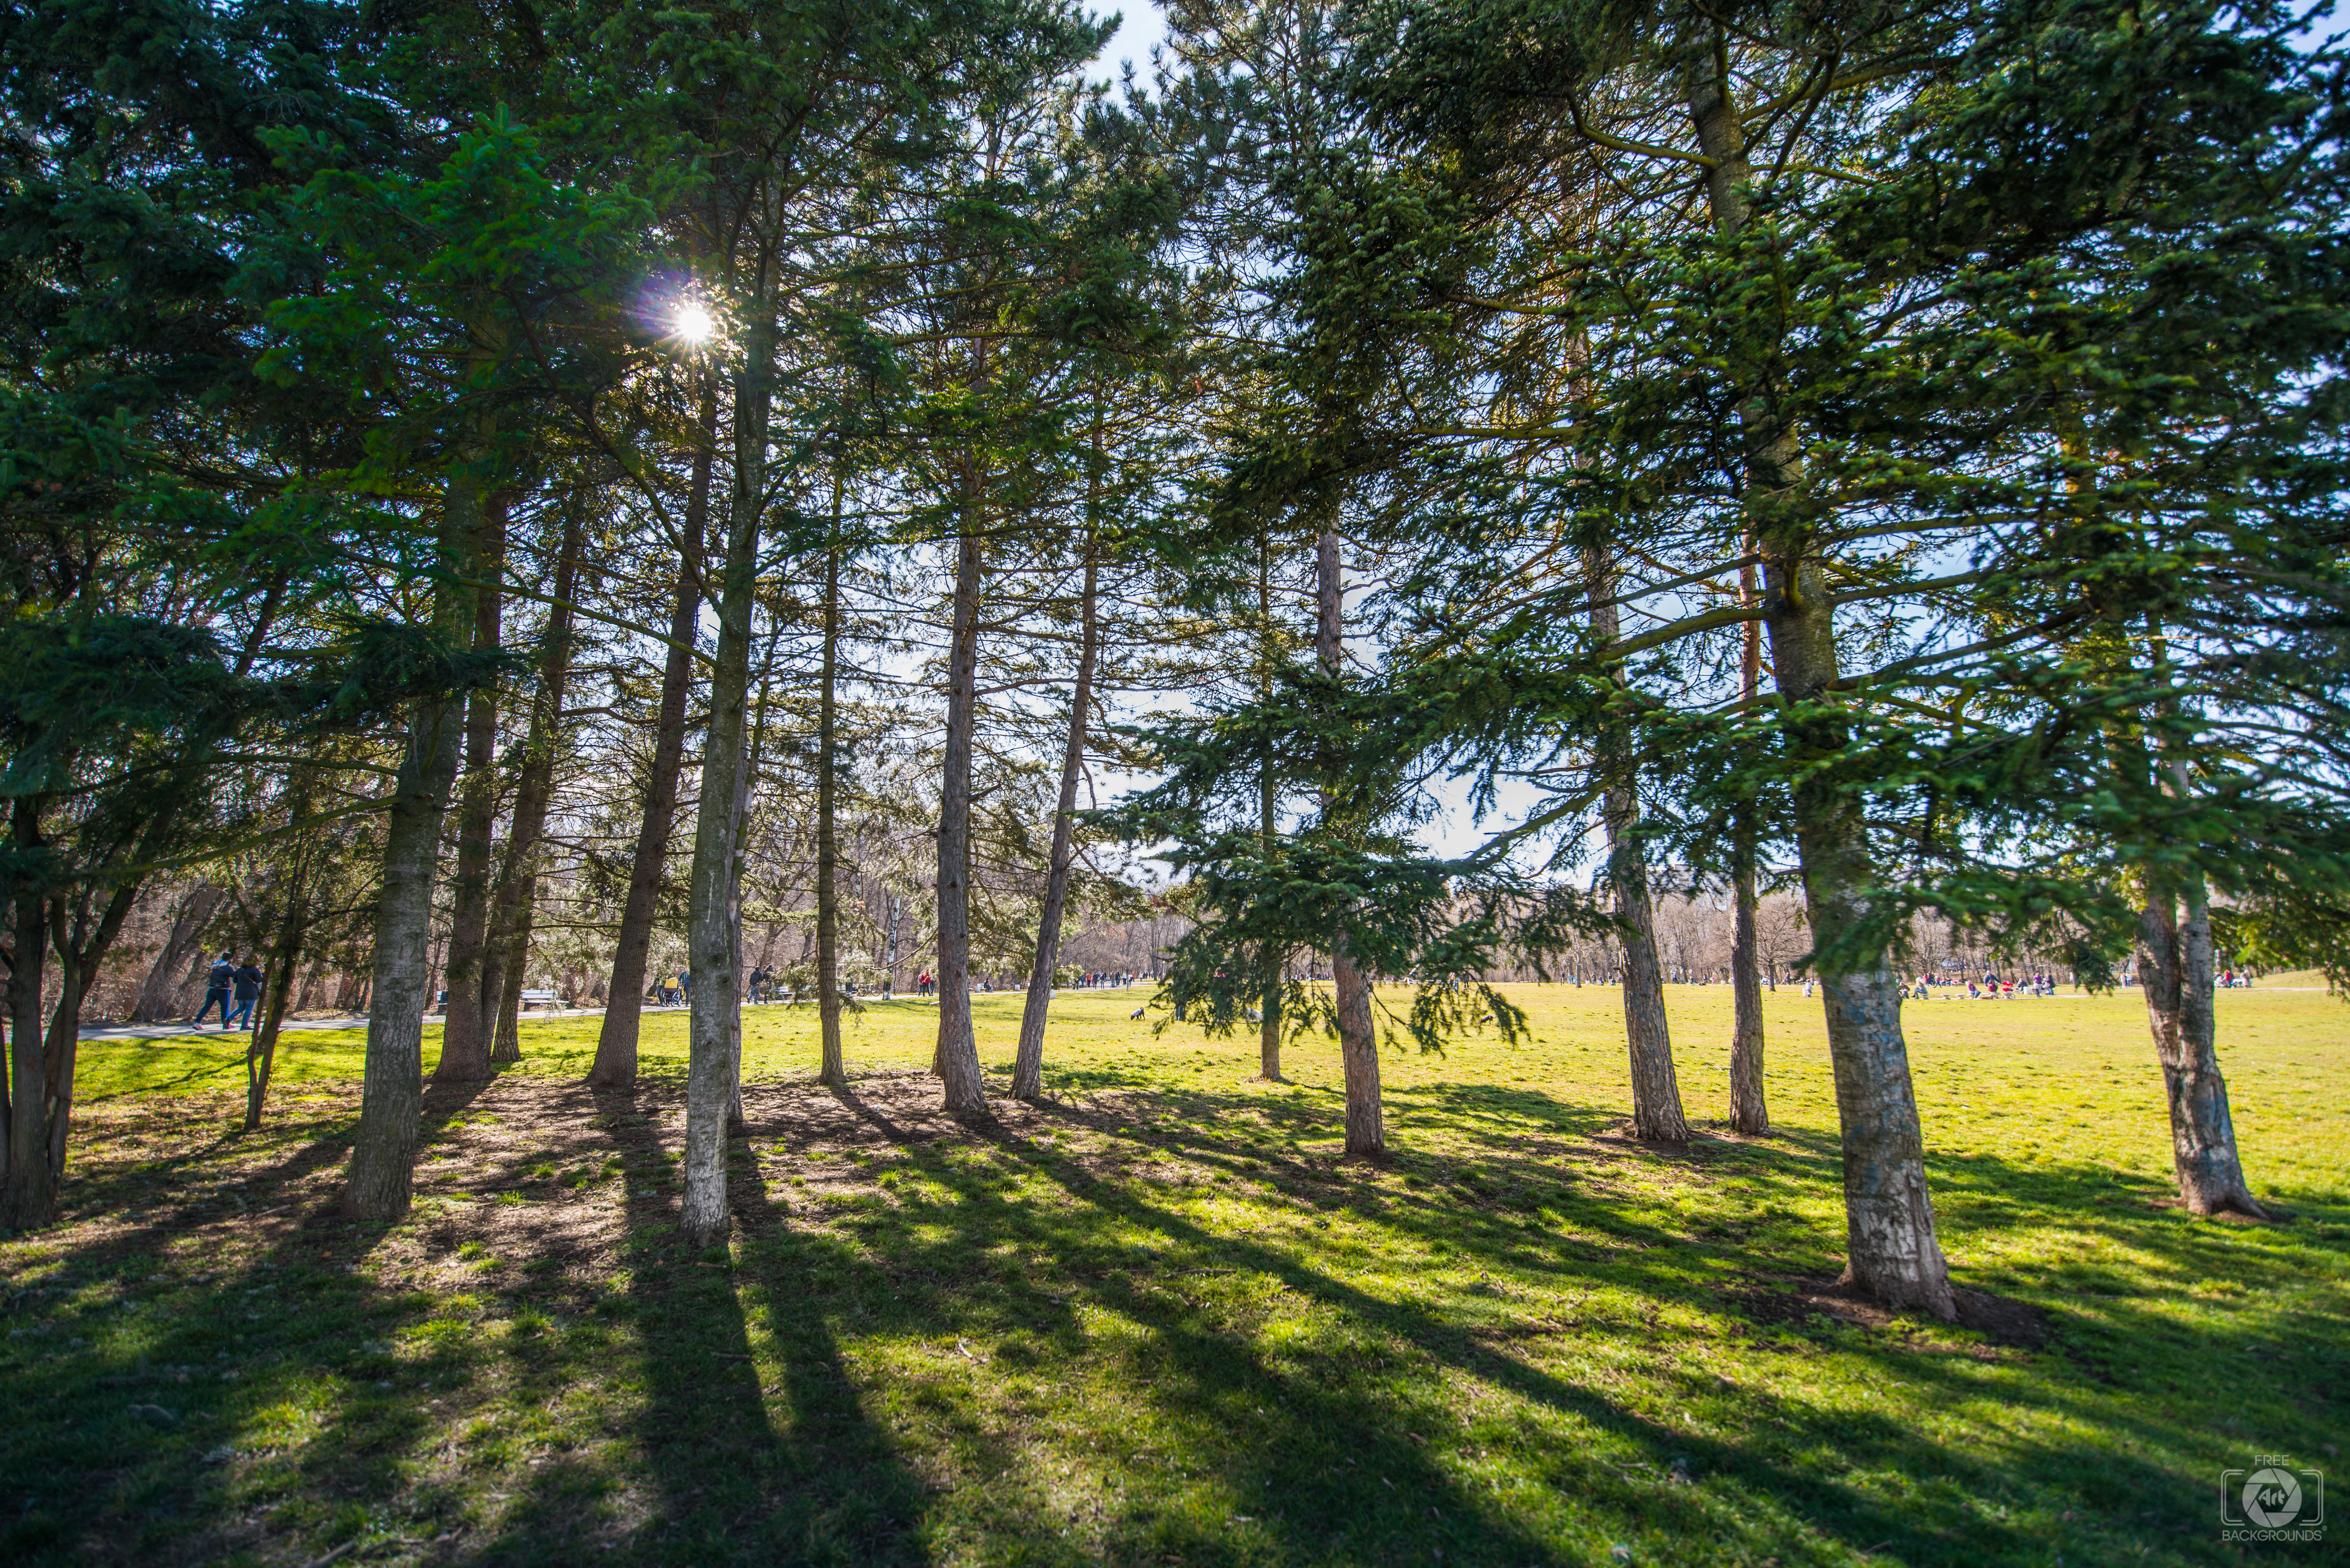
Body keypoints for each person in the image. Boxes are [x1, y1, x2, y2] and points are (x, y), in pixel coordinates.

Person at [193, 951, 234, 1026]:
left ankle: (197, 1023)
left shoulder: (216, 966)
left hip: (212, 989)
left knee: (207, 1006)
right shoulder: (228, 967)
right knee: (225, 1007)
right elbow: (235, 975)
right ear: (230, 959)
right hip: (223, 990)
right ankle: (226, 1024)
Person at [224, 957, 264, 1030]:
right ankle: (245, 1025)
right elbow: (259, 980)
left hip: (240, 992)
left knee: (241, 1007)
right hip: (251, 992)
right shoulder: (255, 970)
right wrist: (263, 976)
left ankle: (229, 1019)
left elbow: (235, 981)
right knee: (249, 1008)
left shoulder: (240, 970)